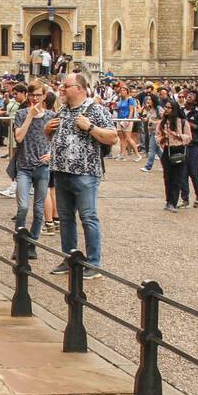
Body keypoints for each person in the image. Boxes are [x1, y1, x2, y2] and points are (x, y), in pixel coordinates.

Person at [43, 72, 115, 275]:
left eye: (66, 86)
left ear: (80, 88)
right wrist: (47, 130)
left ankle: (93, 263)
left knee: (88, 217)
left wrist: (90, 127)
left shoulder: (95, 109)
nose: (62, 89)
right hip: (61, 171)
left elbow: (112, 137)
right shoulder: (62, 110)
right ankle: (70, 258)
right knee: (66, 218)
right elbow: (54, 138)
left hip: (85, 174)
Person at [12, 79, 54, 258]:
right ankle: (19, 242)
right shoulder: (21, 114)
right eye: (32, 95)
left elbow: (58, 140)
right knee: (22, 207)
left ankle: (32, 243)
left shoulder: (51, 116)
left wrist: (52, 154)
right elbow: (19, 137)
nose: (35, 99)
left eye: (38, 95)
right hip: (24, 166)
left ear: (44, 96)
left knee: (38, 210)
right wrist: (30, 115)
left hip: (42, 167)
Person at [156, 98, 192, 213]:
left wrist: (176, 135)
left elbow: (188, 137)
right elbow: (157, 137)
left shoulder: (182, 122)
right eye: (165, 107)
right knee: (167, 177)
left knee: (177, 177)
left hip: (179, 149)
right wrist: (163, 138)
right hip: (167, 149)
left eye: (169, 108)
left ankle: (174, 202)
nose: (166, 109)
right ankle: (168, 200)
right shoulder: (162, 122)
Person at [181, 90, 198, 208]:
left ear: (196, 101)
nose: (189, 96)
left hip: (194, 145)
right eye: (188, 95)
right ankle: (185, 198)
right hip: (182, 145)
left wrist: (192, 125)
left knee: (194, 171)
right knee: (182, 172)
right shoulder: (181, 111)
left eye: (192, 96)